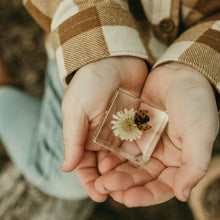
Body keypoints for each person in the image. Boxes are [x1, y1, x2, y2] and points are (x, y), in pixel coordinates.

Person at [0, 0, 219, 209]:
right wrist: (97, 55)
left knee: (82, 172)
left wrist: (200, 68)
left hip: (191, 61)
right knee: (57, 174)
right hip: (83, 49)